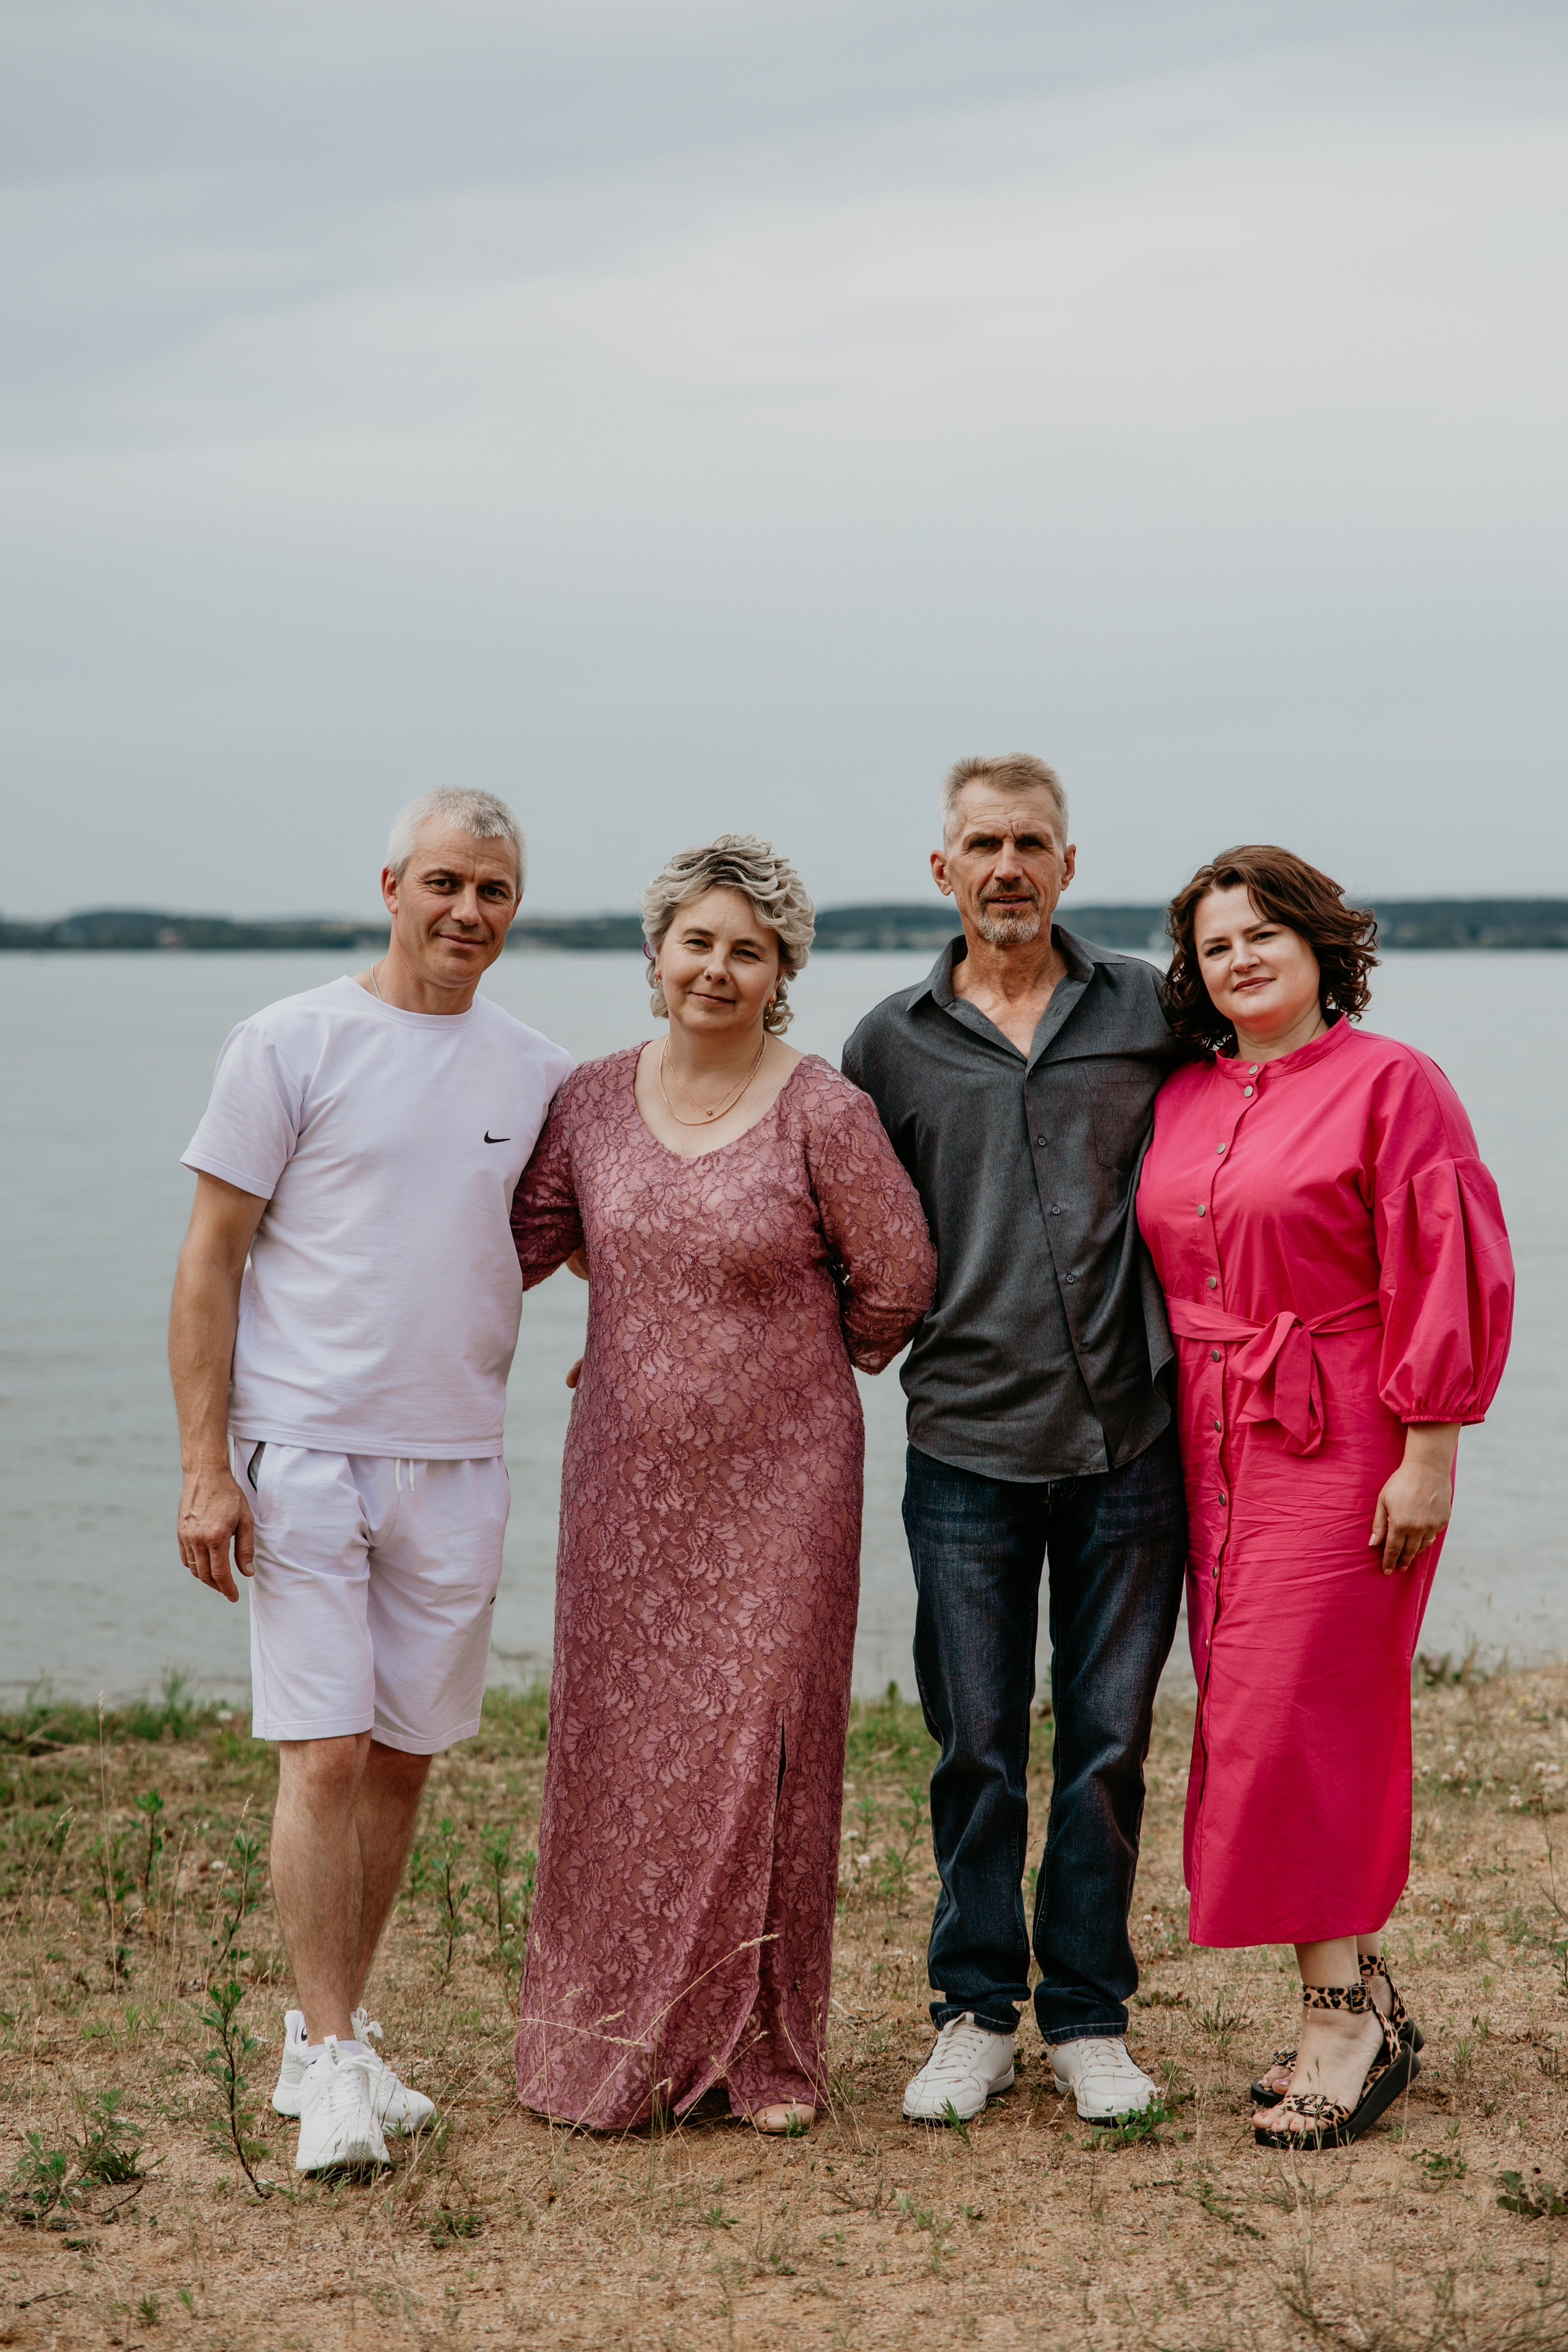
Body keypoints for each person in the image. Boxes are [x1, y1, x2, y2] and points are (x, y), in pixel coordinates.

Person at [169, 786, 571, 2173]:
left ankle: (327, 2032)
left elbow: (586, 1238)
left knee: (401, 1762)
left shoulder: (535, 1070)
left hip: (459, 1457)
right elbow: (210, 1259)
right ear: (391, 882)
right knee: (324, 1750)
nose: (469, 912)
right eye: (447, 883)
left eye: (497, 893)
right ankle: (331, 2061)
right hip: (304, 1454)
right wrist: (203, 1468)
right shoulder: (290, 1040)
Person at [510, 835, 935, 2134]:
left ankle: (764, 2056)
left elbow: (899, 1279)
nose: (716, 966)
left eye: (746, 949)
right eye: (695, 942)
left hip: (785, 1483)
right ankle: (605, 2032)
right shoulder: (583, 1100)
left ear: (780, 971)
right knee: (621, 1744)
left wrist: (781, 1369)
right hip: (625, 1484)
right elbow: (524, 1243)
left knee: (763, 1751)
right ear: (654, 959)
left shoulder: (823, 1108)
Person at [1137, 845, 1513, 2149]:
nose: (1237, 957)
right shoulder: (1181, 1093)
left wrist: (1429, 1449)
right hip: (1212, 1436)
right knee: (1251, 1714)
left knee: (1302, 1717)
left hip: (1347, 1428)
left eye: (1261, 933)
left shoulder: (1392, 1084)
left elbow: (1442, 1260)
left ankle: (1340, 2022)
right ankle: (1353, 1999)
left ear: (1314, 944)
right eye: (1212, 943)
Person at [843, 755, 1190, 2126]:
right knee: (974, 1744)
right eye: (979, 844)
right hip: (966, 1449)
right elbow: (827, 1225)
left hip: (1131, 1445)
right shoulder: (888, 1042)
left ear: (1064, 863)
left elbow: (1253, 1132)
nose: (1005, 866)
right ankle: (973, 2010)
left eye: (1028, 843)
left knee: (1106, 1744)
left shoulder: (1150, 1013)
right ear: (941, 870)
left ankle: (1087, 2018)